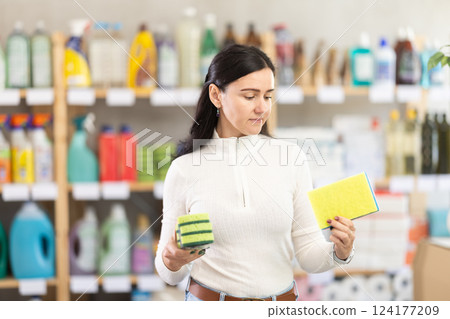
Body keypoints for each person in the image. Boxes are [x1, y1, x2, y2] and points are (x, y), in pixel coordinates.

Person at [155, 44, 356, 301]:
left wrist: (339, 251)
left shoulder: (291, 158)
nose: (262, 108)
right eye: (250, 97)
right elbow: (168, 272)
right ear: (216, 95)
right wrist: (172, 260)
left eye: (268, 96)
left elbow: (308, 254)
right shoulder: (184, 169)